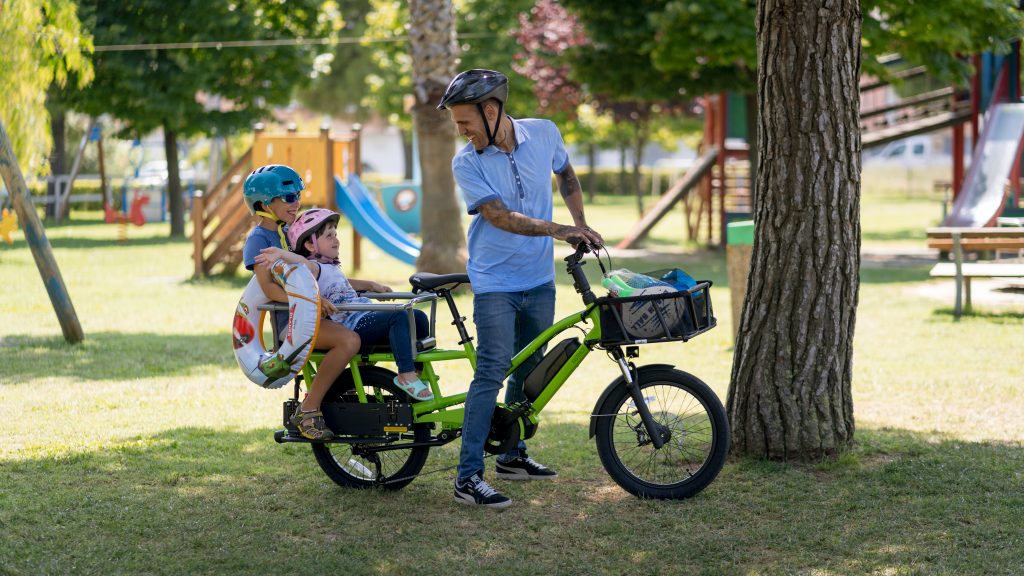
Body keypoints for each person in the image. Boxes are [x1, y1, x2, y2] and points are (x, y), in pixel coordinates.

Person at [437, 69, 604, 508]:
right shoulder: (467, 161)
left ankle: (511, 455)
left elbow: (567, 176)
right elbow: (499, 216)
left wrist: (581, 222)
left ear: (491, 111)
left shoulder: (544, 134)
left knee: (527, 368)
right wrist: (561, 229)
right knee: (491, 370)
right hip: (494, 282)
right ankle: (467, 477)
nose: (462, 131)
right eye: (458, 124)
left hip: (538, 280)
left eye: (466, 122)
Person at [259, 208, 433, 401]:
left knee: (418, 317)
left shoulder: (331, 267)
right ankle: (406, 375)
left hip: (363, 315)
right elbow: (300, 261)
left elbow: (344, 284)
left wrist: (371, 285)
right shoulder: (312, 268)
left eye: (336, 234)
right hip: (352, 323)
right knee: (398, 316)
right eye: (329, 236)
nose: (336, 240)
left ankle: (417, 372)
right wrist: (280, 254)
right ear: (310, 245)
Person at [242, 164, 361, 441]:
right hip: (292, 322)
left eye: (297, 196)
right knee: (348, 341)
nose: (296, 203)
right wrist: (310, 303)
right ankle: (307, 410)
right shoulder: (260, 238)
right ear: (263, 203)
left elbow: (320, 275)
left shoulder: (286, 233)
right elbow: (269, 289)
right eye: (288, 198)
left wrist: (368, 285)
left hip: (315, 315)